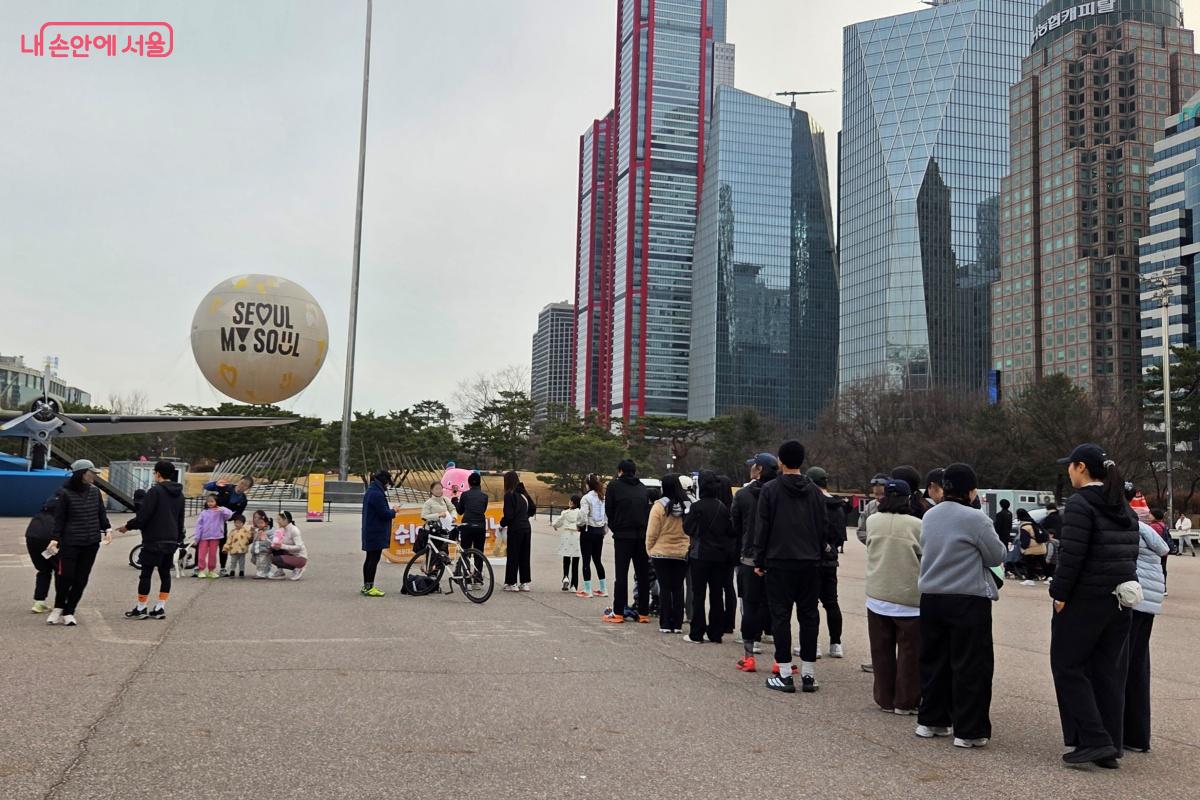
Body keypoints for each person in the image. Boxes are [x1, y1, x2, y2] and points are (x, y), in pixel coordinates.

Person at [1050, 443, 1139, 768]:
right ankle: (1109, 746)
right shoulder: (1121, 506)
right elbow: (1130, 553)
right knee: (1107, 673)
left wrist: (1060, 594)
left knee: (1067, 666)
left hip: (1085, 599)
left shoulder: (1080, 503)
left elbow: (1072, 555)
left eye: (1070, 466)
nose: (1068, 471)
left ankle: (1095, 739)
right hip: (1120, 601)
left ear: (1082, 467)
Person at [916, 463, 1006, 749]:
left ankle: (931, 720)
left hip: (932, 596)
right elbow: (996, 555)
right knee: (970, 664)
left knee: (934, 661)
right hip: (967, 598)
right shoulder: (976, 519)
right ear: (971, 490)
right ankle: (969, 730)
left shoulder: (930, 515)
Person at [754, 440, 828, 694]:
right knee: (809, 615)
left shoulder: (770, 489)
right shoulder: (815, 492)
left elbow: (763, 527)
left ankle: (785, 673)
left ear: (781, 461)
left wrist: (759, 559)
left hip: (779, 559)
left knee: (780, 616)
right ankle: (809, 674)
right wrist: (818, 554)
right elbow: (823, 527)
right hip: (810, 561)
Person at [865, 479, 923, 715]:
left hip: (877, 593)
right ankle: (905, 701)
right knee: (910, 653)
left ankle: (885, 699)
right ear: (908, 498)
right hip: (909, 596)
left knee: (881, 650)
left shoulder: (872, 521)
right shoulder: (917, 525)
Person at [1124, 490, 1169, 754]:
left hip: (1133, 601)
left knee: (1123, 666)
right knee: (1139, 666)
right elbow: (1164, 551)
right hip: (1149, 604)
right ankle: (1139, 735)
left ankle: (1124, 731)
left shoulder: (1129, 531)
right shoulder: (1151, 534)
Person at [47, 460, 112, 626]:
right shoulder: (65, 493)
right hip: (70, 542)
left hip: (91, 542)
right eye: (91, 473)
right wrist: (55, 539)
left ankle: (69, 611)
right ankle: (58, 607)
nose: (94, 476)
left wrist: (107, 529)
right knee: (65, 576)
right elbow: (60, 518)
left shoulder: (95, 492)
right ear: (81, 473)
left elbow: (101, 513)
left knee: (81, 579)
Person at [117, 461, 185, 619]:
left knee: (146, 574)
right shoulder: (180, 494)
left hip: (154, 539)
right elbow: (180, 519)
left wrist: (128, 526)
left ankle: (141, 608)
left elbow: (144, 515)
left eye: (154, 472)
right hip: (171, 539)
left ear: (158, 473)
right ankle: (160, 608)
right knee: (165, 574)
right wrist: (178, 538)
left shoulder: (155, 491)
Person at [732, 453, 778, 671]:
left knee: (750, 605)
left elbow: (735, 525)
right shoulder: (780, 493)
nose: (750, 468)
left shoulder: (743, 495)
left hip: (750, 556)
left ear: (759, 469)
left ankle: (749, 655)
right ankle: (780, 659)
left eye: (753, 465)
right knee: (777, 607)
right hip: (776, 556)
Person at [684, 472, 736, 643]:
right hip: (719, 556)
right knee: (716, 594)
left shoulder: (697, 507)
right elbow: (730, 531)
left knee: (698, 594)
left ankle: (697, 633)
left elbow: (687, 528)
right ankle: (715, 633)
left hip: (700, 555)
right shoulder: (723, 507)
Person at [806, 466, 846, 660]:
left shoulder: (811, 502)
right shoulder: (837, 506)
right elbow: (840, 536)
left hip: (812, 558)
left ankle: (812, 645)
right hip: (831, 560)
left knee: (810, 605)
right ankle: (836, 643)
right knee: (831, 603)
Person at [604, 459, 650, 623]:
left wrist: (615, 527)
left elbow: (609, 510)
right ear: (635, 471)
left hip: (623, 535)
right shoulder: (642, 487)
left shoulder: (614, 486)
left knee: (621, 574)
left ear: (620, 471)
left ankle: (618, 612)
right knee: (643, 574)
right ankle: (643, 612)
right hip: (642, 535)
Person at [648, 475, 691, 634]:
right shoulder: (688, 504)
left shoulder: (659, 506)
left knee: (665, 588)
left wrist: (650, 549)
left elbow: (652, 531)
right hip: (682, 551)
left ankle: (665, 623)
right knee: (678, 587)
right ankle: (677, 624)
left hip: (661, 552)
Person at [202, 476, 253, 576]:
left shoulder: (243, 500)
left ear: (248, 488)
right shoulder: (227, 487)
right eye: (242, 483)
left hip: (222, 521)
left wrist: (234, 520)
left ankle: (222, 568)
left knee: (223, 543)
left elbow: (238, 514)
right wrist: (216, 483)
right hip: (210, 518)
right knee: (203, 542)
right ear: (239, 481)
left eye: (245, 486)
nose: (242, 486)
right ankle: (198, 567)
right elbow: (207, 487)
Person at [361, 470, 399, 597]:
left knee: (369, 559)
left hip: (370, 530)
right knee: (373, 559)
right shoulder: (377, 494)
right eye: (388, 483)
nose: (388, 485)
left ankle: (366, 586)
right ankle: (370, 587)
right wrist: (394, 511)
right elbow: (384, 514)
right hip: (376, 531)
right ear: (385, 481)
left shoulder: (371, 490)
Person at [499, 471, 536, 592]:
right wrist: (524, 516)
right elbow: (533, 508)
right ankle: (524, 583)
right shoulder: (523, 493)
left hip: (515, 529)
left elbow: (509, 515)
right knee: (524, 555)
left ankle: (512, 582)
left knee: (513, 555)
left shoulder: (509, 495)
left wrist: (502, 524)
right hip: (526, 527)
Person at [25, 493, 59, 614]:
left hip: (32, 539)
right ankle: (61, 603)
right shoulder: (59, 517)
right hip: (50, 541)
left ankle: (39, 602)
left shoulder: (40, 514)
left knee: (43, 570)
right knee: (60, 570)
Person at [578, 474, 608, 598]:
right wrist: (604, 529)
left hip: (588, 530)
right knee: (597, 560)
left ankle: (587, 589)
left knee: (586, 560)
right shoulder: (602, 497)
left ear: (587, 485)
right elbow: (606, 516)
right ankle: (603, 588)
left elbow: (583, 515)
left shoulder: (586, 498)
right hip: (599, 531)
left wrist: (579, 525)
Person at [453, 472, 491, 562]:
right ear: (479, 483)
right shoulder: (485, 497)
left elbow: (460, 511)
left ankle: (466, 570)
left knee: (465, 552)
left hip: (467, 526)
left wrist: (455, 501)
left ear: (469, 483)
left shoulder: (465, 495)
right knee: (479, 553)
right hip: (480, 526)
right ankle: (478, 571)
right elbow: (482, 510)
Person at [194, 494, 233, 579]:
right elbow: (199, 525)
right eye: (208, 501)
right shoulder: (203, 513)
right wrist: (197, 537)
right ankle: (201, 570)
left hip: (215, 536)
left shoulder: (220, 512)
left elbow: (229, 515)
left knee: (212, 555)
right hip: (204, 537)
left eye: (212, 501)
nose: (210, 503)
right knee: (201, 554)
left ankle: (211, 571)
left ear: (216, 502)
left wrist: (222, 509)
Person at [552, 495, 584, 592]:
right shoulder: (580, 513)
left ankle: (565, 577)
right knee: (575, 561)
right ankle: (574, 585)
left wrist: (555, 526)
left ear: (571, 502)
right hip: (577, 536)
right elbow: (583, 522)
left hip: (566, 536)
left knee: (566, 558)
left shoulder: (565, 512)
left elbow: (557, 522)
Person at [269, 510, 308, 580]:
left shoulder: (294, 530)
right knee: (272, 551)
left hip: (300, 557)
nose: (277, 521)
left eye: (279, 519)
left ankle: (299, 567)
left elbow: (299, 547)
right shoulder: (282, 530)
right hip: (290, 554)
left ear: (286, 520)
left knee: (275, 559)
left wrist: (282, 546)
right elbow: (277, 544)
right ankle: (280, 571)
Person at [1017, 508, 1048, 586]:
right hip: (1041, 547)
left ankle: (1030, 580)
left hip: (1031, 549)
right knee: (1043, 563)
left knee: (1030, 564)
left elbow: (1025, 540)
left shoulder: (1024, 526)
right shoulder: (1034, 523)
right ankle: (1050, 577)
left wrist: (1023, 547)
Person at [857, 474, 889, 545]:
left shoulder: (895, 506)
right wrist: (873, 543)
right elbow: (861, 531)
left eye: (883, 494)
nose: (879, 497)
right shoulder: (869, 507)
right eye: (876, 494)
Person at [1148, 509, 1169, 593]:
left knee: (1156, 570)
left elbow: (1152, 541)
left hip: (1156, 552)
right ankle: (1164, 588)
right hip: (1164, 551)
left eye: (1150, 514)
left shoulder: (1154, 526)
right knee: (1163, 569)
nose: (1149, 516)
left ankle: (1158, 588)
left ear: (1155, 516)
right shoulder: (1163, 524)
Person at [249, 510, 273, 578]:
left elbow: (271, 540)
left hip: (264, 550)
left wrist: (268, 545)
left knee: (262, 562)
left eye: (261, 522)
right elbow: (253, 540)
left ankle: (261, 573)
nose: (256, 519)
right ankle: (265, 572)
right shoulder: (256, 530)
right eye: (255, 517)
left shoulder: (269, 530)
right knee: (258, 561)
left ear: (266, 523)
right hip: (257, 549)